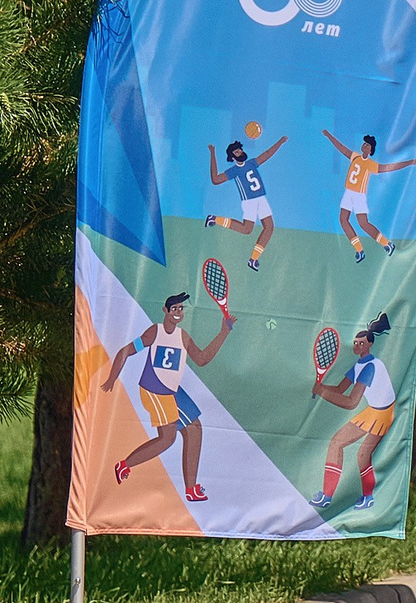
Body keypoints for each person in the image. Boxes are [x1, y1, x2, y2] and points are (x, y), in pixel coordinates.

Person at [101, 290, 234, 502]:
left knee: (195, 429)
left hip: (172, 391)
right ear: (165, 310)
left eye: (181, 309)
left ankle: (191, 489)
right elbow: (126, 350)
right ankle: (124, 465)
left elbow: (202, 359)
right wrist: (112, 378)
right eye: (174, 309)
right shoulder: (155, 332)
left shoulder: (183, 337)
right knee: (168, 439)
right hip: (154, 391)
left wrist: (223, 333)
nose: (178, 312)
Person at [310, 313, 397, 511]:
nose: (356, 346)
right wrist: (320, 387)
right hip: (373, 411)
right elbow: (340, 389)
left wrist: (322, 392)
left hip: (383, 414)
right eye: (355, 342)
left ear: (369, 345)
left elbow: (351, 402)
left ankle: (368, 497)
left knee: (362, 454)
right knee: (336, 444)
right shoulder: (358, 365)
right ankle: (326, 496)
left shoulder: (371, 367)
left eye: (360, 343)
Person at [323, 130, 415, 262]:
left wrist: (408, 162)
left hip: (358, 195)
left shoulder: (370, 164)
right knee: (343, 220)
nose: (365, 146)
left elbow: (388, 167)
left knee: (363, 224)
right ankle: (360, 250)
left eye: (368, 145)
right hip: (348, 192)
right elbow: (342, 148)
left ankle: (387, 244)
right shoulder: (355, 156)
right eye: (364, 144)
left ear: (371, 151)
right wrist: (329, 136)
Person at [207, 136, 286, 270]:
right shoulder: (234, 170)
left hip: (261, 198)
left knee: (269, 227)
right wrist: (213, 153)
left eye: (240, 150)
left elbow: (267, 155)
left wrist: (280, 142)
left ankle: (253, 259)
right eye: (236, 152)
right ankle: (214, 219)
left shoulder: (251, 163)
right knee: (247, 229)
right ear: (232, 157)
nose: (240, 153)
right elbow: (215, 179)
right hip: (250, 201)